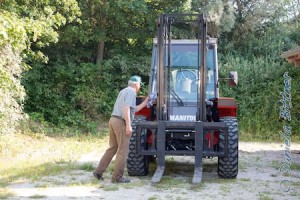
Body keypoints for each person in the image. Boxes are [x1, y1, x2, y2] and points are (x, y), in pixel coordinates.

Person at [93, 75, 149, 183]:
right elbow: (126, 108)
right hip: (121, 122)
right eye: (139, 85)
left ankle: (98, 172)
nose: (139, 87)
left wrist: (145, 103)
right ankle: (117, 177)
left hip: (113, 120)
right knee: (123, 151)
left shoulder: (123, 91)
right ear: (136, 85)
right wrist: (128, 125)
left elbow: (134, 109)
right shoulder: (131, 92)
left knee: (112, 148)